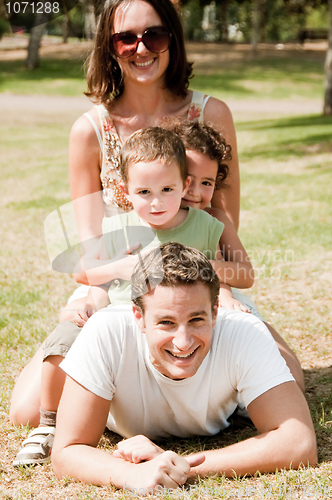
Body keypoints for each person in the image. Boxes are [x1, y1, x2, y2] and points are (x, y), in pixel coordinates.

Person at [9, 0, 241, 429]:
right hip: (116, 285)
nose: (141, 48)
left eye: (154, 35)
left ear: (172, 38)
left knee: (292, 379)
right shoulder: (89, 130)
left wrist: (222, 286)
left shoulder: (211, 114)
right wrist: (90, 296)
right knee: (27, 411)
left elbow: (224, 225)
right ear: (108, 47)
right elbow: (92, 252)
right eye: (125, 38)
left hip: (199, 280)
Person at [12, 125, 252, 467]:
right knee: (63, 338)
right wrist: (115, 270)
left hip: (180, 321)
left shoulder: (205, 226)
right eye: (144, 192)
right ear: (126, 192)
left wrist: (213, 278)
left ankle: (240, 400)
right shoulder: (120, 228)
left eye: (167, 189)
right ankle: (49, 423)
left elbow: (243, 274)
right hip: (121, 321)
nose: (156, 202)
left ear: (184, 185)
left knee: (234, 331)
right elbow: (83, 271)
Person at [51, 242, 317, 493]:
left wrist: (179, 466)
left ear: (215, 313)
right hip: (99, 361)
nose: (183, 341)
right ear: (139, 317)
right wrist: (130, 474)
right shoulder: (105, 331)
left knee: (293, 379)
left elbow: (298, 442)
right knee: (25, 412)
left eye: (196, 319)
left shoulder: (244, 332)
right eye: (166, 322)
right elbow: (67, 450)